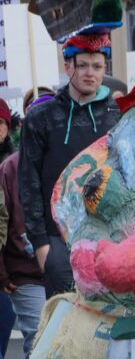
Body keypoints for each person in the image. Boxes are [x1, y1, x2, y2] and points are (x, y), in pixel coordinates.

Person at [20, 35, 121, 297]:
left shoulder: (118, 116)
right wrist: (42, 246)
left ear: (105, 69)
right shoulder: (41, 117)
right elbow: (28, 183)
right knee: (63, 329)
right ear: (68, 67)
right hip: (57, 241)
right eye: (83, 65)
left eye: (97, 66)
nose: (90, 73)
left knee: (105, 329)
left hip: (106, 238)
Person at [0, 150, 45, 351]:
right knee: (40, 340)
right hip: (25, 271)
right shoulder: (10, 167)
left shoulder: (67, 157)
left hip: (64, 268)